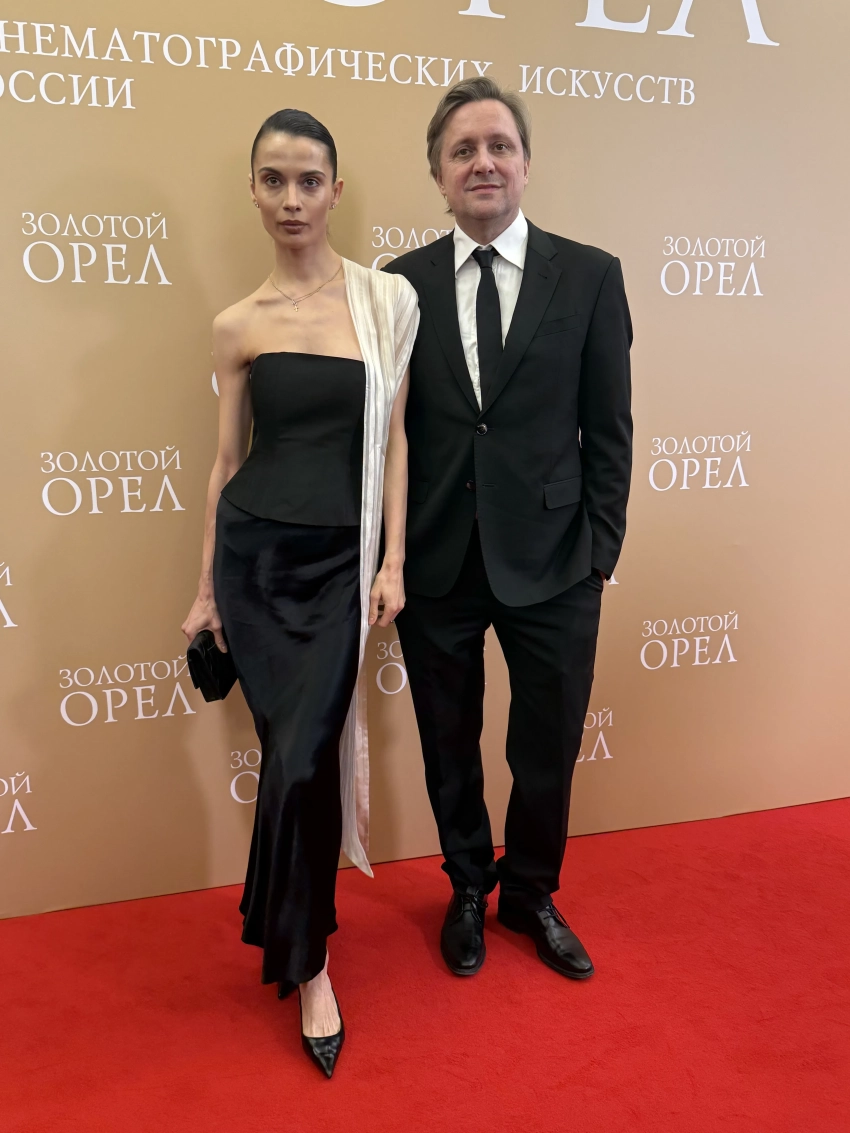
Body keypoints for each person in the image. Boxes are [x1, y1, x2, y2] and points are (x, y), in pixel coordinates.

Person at [182, 108, 418, 1077]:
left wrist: (392, 562)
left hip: (339, 569)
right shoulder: (237, 324)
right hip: (257, 562)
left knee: (305, 758)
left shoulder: (383, 302)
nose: (291, 199)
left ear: (334, 190)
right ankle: (310, 959)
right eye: (273, 180)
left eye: (308, 180)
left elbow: (396, 440)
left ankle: (291, 931)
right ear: (252, 190)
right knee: (292, 759)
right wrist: (206, 590)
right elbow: (225, 461)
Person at [383, 77, 632, 981]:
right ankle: (465, 886)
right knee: (448, 742)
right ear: (439, 176)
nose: (482, 162)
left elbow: (611, 428)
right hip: (438, 559)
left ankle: (528, 890)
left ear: (525, 164)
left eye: (499, 146)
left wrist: (599, 552)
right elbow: (389, 434)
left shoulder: (591, 275)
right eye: (463, 150)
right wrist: (389, 553)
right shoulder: (398, 287)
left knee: (547, 746)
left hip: (558, 561)